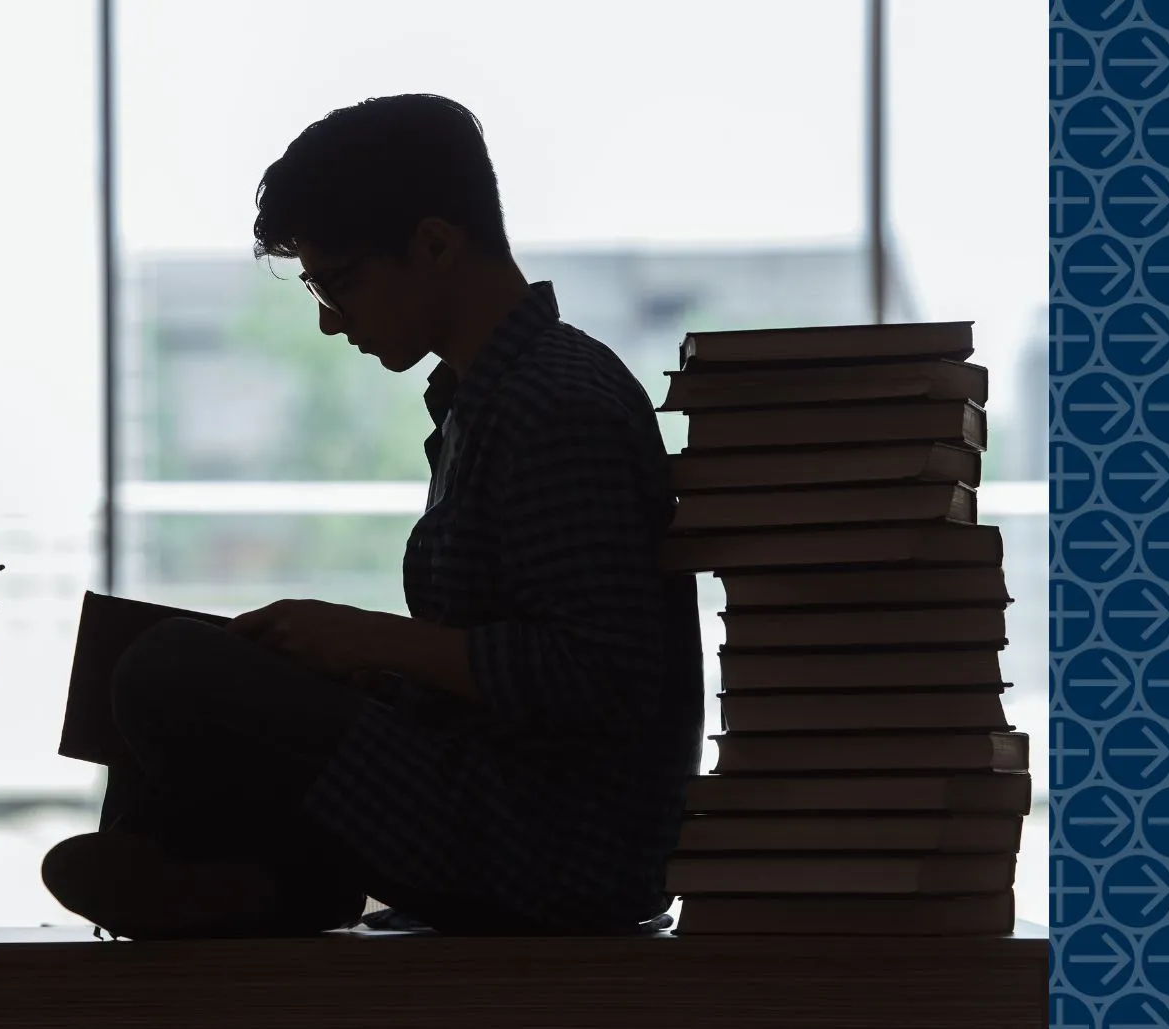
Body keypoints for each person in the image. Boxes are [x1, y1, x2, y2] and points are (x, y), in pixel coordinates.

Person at [41, 93, 703, 940]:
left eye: (340, 282)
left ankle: (245, 872)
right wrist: (372, 670)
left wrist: (373, 642)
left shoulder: (554, 404)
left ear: (433, 245)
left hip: (552, 850)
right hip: (506, 806)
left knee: (160, 667)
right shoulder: (491, 398)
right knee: (144, 655)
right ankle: (245, 873)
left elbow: (600, 678)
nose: (327, 319)